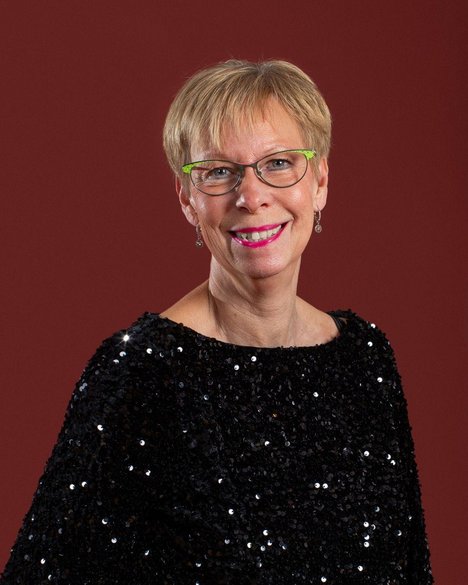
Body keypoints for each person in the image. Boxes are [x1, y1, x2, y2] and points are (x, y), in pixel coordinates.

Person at [1, 59, 433, 584]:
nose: (251, 197)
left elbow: (412, 567)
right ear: (187, 199)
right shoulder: (141, 371)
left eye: (279, 163)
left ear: (320, 182)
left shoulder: (366, 360)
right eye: (219, 172)